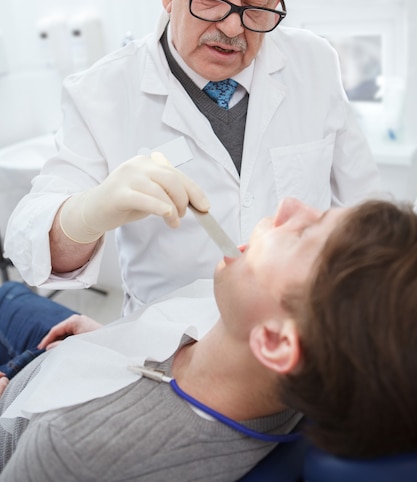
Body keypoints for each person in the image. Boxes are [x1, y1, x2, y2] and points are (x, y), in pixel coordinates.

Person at [4, 0, 381, 315]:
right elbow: (28, 239)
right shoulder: (102, 92)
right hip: (172, 344)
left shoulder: (312, 62)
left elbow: (366, 209)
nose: (233, 28)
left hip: (300, 324)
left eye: (257, 6)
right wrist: (88, 213)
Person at [1, 197, 417, 480]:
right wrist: (112, 343)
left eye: (304, 235)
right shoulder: (298, 379)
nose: (291, 205)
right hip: (86, 355)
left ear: (275, 343)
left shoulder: (73, 450)